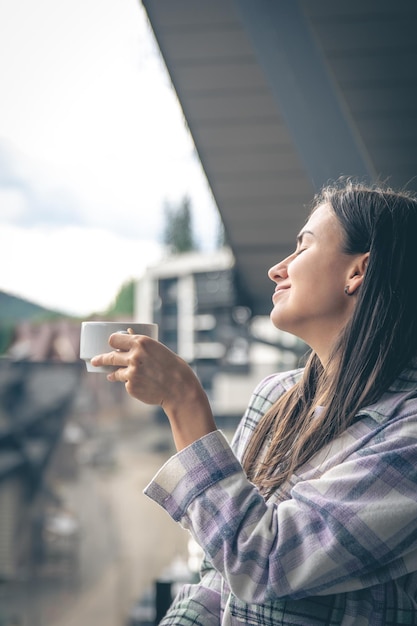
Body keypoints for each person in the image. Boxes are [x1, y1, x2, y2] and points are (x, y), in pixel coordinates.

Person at [90, 180, 417, 625]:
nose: (277, 269)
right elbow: (217, 572)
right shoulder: (274, 397)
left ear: (357, 272)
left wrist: (183, 400)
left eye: (302, 248)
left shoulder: (406, 435)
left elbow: (264, 562)